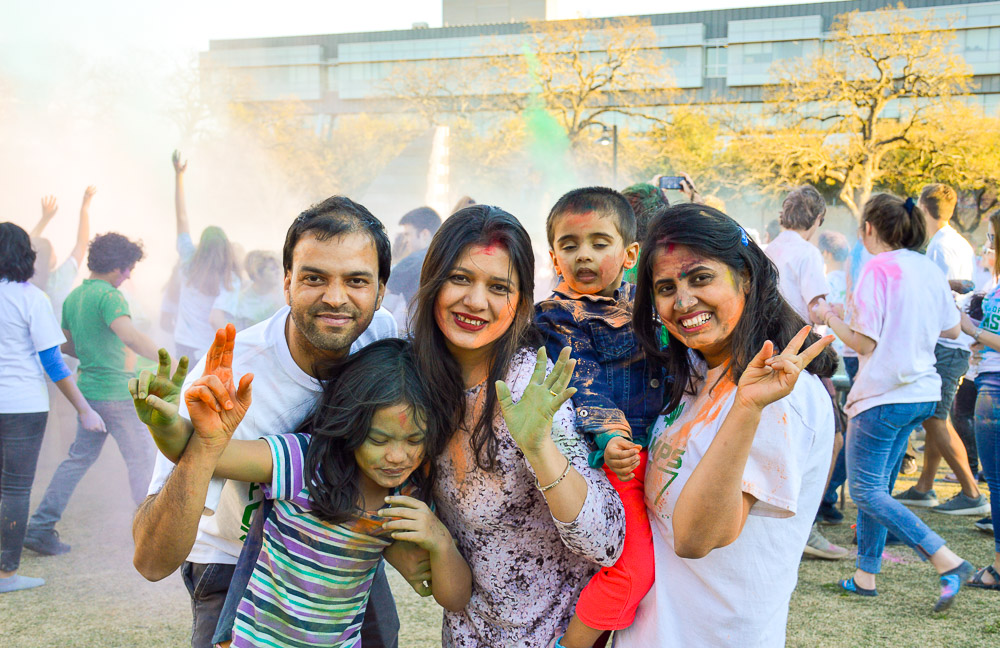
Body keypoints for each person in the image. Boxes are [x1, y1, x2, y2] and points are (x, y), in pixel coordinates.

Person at [131, 196, 400, 648]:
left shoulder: (382, 337)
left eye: (356, 280)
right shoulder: (225, 377)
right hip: (236, 561)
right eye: (314, 278)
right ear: (287, 282)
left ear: (380, 290)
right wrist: (204, 445)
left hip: (339, 544)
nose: (335, 297)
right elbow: (152, 559)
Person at [144, 336, 472, 646]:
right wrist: (166, 425)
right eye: (379, 440)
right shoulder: (303, 464)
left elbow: (454, 598)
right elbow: (210, 455)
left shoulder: (405, 497)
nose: (397, 456)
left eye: (415, 440)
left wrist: (440, 541)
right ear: (350, 425)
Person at [615, 203, 837, 646]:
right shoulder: (697, 371)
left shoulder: (780, 396)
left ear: (746, 277)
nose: (682, 302)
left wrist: (746, 407)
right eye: (665, 287)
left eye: (700, 278)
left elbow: (697, 538)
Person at [406, 205, 626, 647]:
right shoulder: (418, 380)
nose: (476, 301)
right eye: (460, 278)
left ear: (521, 302)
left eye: (498, 287)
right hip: (467, 634)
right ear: (433, 283)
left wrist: (540, 447)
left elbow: (606, 542)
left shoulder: (529, 386)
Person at [813, 194, 974, 610]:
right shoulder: (928, 268)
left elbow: (864, 341)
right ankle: (865, 576)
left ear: (869, 228)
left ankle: (947, 559)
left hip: (884, 394)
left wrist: (829, 316)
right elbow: (953, 330)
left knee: (866, 490)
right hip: (922, 392)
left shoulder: (875, 269)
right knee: (877, 487)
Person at [534, 187, 662, 648]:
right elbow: (584, 378)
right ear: (553, 256)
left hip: (658, 452)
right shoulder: (558, 316)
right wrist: (609, 437)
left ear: (629, 253)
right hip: (615, 461)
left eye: (598, 243)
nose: (583, 255)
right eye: (570, 245)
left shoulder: (645, 303)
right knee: (632, 574)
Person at [22, 232, 160, 557]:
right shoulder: (110, 297)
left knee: (75, 461)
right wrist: (170, 358)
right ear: (116, 267)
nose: (128, 276)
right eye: (128, 269)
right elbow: (131, 337)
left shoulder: (74, 298)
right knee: (142, 460)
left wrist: (91, 346)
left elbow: (67, 345)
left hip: (89, 395)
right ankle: (153, 532)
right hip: (118, 394)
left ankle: (40, 527)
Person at [0, 223, 105, 593]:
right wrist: (84, 410)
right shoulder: (31, 299)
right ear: (26, 257)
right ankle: (6, 575)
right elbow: (54, 363)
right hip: (22, 406)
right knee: (14, 489)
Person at [894, 184, 989, 516]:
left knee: (935, 417)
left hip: (947, 344)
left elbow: (942, 297)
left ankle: (972, 492)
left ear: (922, 207)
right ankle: (925, 486)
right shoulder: (954, 242)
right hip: (952, 343)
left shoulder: (941, 247)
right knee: (936, 415)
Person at [765, 185, 847, 560]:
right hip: (802, 357)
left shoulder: (768, 249)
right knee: (832, 436)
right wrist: (838, 312)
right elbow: (816, 307)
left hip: (766, 356)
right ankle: (808, 524)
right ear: (817, 220)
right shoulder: (808, 252)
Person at [957, 210, 1000, 588]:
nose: (986, 246)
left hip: (996, 387)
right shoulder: (995, 282)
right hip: (989, 378)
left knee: (998, 482)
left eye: (991, 237)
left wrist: (972, 330)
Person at [171, 150, 241, 362]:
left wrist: (178, 176)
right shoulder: (230, 280)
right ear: (226, 249)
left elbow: (181, 217)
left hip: (182, 344)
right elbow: (215, 318)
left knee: (183, 393)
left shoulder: (188, 261)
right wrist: (236, 350)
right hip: (207, 351)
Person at [29, 187, 95, 317]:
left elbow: (25, 248)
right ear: (47, 259)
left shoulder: (25, 281)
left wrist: (44, 219)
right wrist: (84, 209)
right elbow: (82, 243)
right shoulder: (59, 279)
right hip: (55, 336)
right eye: (51, 250)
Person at [384, 207, 441, 331]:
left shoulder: (412, 261)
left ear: (424, 234)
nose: (406, 240)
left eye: (408, 234)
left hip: (416, 332)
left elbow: (380, 295)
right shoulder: (446, 258)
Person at [212, 250, 284, 331]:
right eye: (272, 269)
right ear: (257, 274)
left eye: (278, 267)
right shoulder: (242, 302)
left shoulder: (284, 293)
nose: (278, 272)